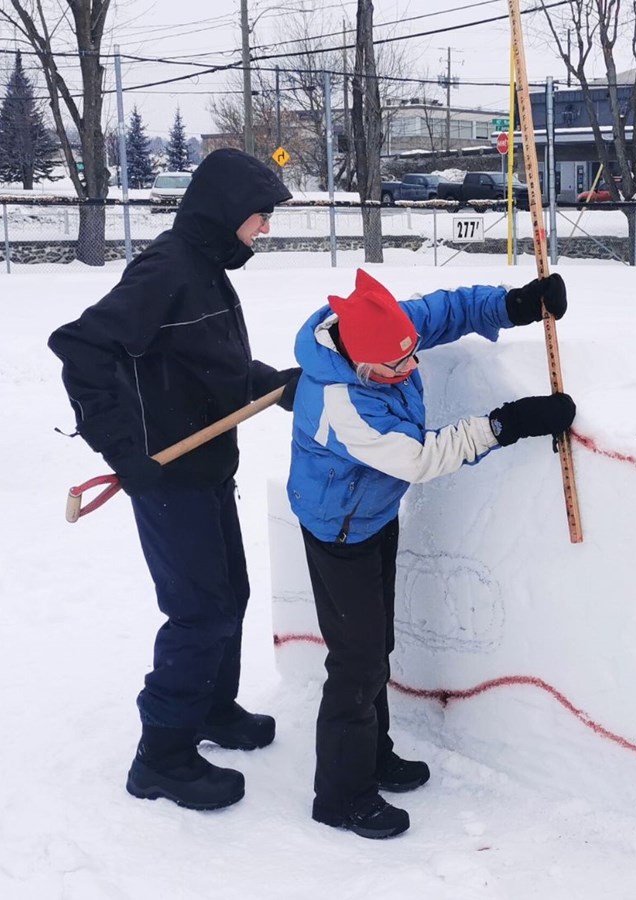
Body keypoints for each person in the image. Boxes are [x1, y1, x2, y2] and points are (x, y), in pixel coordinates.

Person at [47, 148, 302, 812]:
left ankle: (211, 709)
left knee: (230, 595)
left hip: (208, 464)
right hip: (167, 474)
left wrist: (273, 385)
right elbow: (81, 346)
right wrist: (122, 447)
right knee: (199, 610)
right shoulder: (167, 269)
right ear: (227, 211)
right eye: (260, 215)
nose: (265, 228)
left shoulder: (208, 269)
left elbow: (209, 365)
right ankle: (160, 757)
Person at [287, 268, 575, 840]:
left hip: (373, 514)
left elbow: (447, 310)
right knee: (356, 663)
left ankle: (373, 756)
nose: (411, 367)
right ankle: (341, 797)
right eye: (395, 368)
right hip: (337, 530)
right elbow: (422, 458)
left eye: (410, 356)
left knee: (377, 647)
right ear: (361, 367)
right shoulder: (345, 406)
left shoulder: (382, 328)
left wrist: (514, 304)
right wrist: (508, 422)